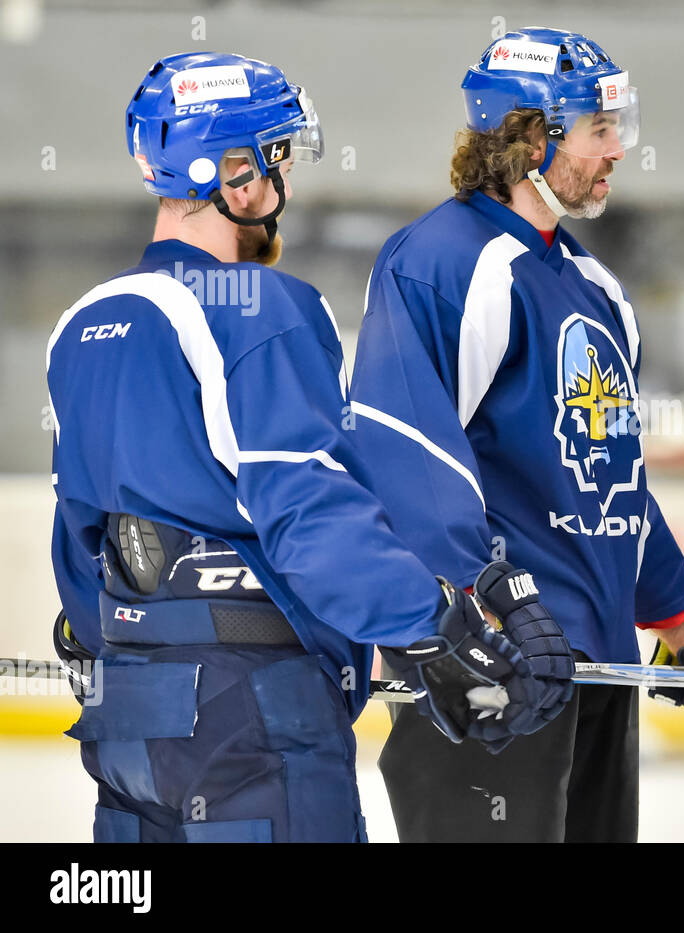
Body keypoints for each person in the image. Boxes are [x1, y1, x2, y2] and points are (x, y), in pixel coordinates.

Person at [48, 51, 566, 843]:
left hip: (126, 716)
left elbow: (80, 539)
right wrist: (432, 625)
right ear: (232, 174)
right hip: (249, 712)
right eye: (274, 159)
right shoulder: (258, 304)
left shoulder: (85, 321)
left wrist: (119, 652)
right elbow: (308, 506)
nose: (280, 184)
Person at [348, 26, 684, 843]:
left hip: (592, 667)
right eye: (599, 129)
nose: (618, 150)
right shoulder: (442, 263)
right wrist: (494, 604)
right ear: (530, 137)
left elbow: (611, 481)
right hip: (489, 672)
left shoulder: (594, 286)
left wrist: (682, 625)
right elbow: (406, 459)